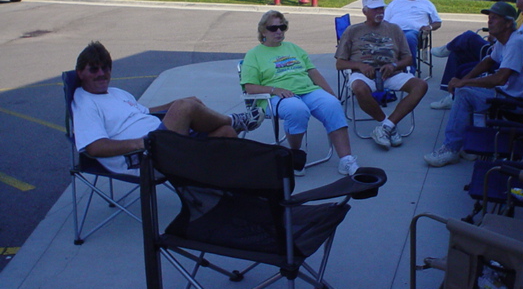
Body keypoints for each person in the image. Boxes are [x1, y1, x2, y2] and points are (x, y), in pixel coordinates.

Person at [72, 41, 265, 175]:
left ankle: (228, 190)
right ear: (80, 72)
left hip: (163, 139)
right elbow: (95, 147)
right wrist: (140, 143)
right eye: (94, 69)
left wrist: (177, 104)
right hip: (143, 156)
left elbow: (145, 112)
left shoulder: (116, 93)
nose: (102, 74)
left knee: (225, 132)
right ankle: (238, 119)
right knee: (184, 107)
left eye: (106, 68)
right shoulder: (84, 102)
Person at [424, 2, 523, 167]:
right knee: (466, 89)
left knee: (466, 93)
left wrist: (463, 82)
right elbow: (488, 61)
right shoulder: (504, 41)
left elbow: (500, 78)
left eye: (495, 18)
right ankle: (470, 146)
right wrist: (465, 78)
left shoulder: (515, 43)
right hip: (510, 93)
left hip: (521, 103)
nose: (489, 21)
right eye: (489, 18)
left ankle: (451, 149)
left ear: (508, 23)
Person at [241, 10, 359, 176]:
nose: (279, 31)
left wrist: (332, 94)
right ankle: (295, 155)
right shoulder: (254, 55)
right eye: (273, 28)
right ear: (263, 30)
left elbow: (313, 73)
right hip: (274, 96)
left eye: (282, 27)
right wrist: (275, 90)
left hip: (307, 91)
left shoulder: (294, 48)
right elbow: (250, 87)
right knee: (297, 109)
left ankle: (346, 159)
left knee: (332, 105)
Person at [430, 0, 523, 110]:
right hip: (501, 50)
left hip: (511, 71)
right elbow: (491, 58)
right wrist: (463, 81)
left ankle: (447, 49)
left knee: (469, 37)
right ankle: (452, 95)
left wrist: (464, 82)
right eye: (489, 18)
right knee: (457, 54)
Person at [335, 0, 428, 149]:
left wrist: (394, 66)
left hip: (391, 73)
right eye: (374, 9)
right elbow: (340, 64)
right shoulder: (352, 31)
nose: (379, 12)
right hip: (363, 74)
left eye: (381, 8)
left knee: (421, 86)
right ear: (365, 11)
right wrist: (360, 66)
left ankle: (386, 127)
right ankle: (387, 125)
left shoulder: (394, 29)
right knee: (359, 88)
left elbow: (408, 59)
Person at [383, 0, 442, 74]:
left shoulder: (426, 3)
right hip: (394, 31)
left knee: (408, 37)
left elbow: (438, 22)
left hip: (415, 33)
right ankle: (385, 69)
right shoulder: (395, 3)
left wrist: (429, 27)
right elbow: (385, 21)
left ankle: (409, 71)